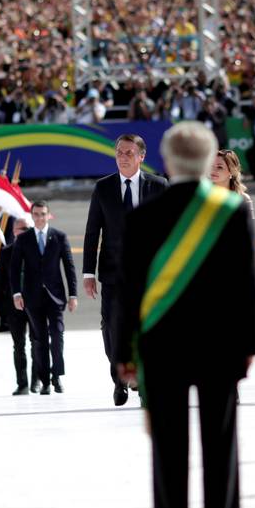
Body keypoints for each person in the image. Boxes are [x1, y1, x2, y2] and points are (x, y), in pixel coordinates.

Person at [115, 121, 255, 508]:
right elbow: (245, 286)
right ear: (208, 158)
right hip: (220, 348)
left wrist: (123, 353)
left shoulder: (142, 217)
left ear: (167, 160)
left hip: (162, 348)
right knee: (221, 451)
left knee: (168, 452)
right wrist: (249, 347)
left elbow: (128, 293)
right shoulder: (231, 210)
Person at [82, 134, 169, 406]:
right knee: (111, 328)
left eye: (129, 152)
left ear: (141, 156)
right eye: (120, 152)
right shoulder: (103, 187)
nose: (123, 156)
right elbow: (92, 231)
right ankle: (120, 378)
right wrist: (88, 274)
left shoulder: (159, 185)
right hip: (112, 274)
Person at [10, 201, 77, 395]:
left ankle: (57, 375)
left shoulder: (59, 237)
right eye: (36, 214)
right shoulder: (24, 239)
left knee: (57, 334)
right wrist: (17, 294)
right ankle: (45, 380)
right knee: (39, 340)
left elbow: (69, 267)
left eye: (43, 214)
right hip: (32, 297)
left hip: (55, 296)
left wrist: (73, 294)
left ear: (49, 215)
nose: (39, 218)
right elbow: (14, 269)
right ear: (32, 216)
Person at [0, 216, 38, 394]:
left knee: (37, 343)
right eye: (21, 229)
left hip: (35, 304)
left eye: (27, 229)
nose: (25, 232)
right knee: (18, 345)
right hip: (13, 307)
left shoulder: (38, 249)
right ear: (14, 231)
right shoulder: (6, 252)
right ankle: (22, 384)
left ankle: (37, 381)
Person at [210, 149, 254, 218]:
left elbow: (249, 226)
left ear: (231, 172)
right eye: (211, 166)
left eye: (219, 167)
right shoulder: (202, 197)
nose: (213, 170)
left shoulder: (243, 199)